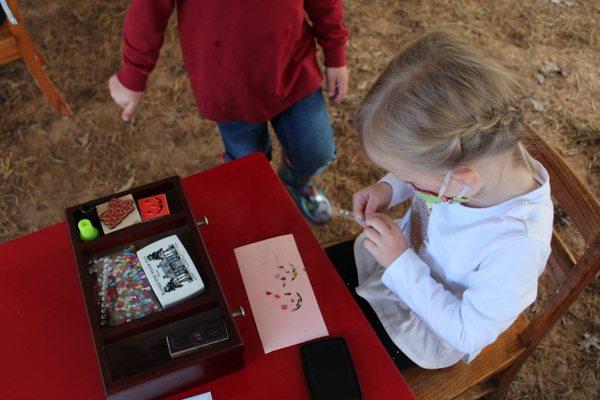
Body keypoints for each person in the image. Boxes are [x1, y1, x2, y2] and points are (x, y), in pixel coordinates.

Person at [331, 29, 553, 370]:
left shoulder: (516, 248)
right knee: (318, 276)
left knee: (337, 350)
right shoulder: (485, 158)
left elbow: (467, 333)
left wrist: (401, 263)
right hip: (397, 263)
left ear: (460, 182)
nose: (405, 183)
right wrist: (390, 189)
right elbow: (428, 170)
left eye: (408, 178)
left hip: (428, 322)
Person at [108, 1, 349, 224]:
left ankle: (296, 182)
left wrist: (335, 52)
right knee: (248, 166)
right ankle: (262, 203)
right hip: (227, 85)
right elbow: (148, 10)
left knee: (316, 152)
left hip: (293, 68)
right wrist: (133, 75)